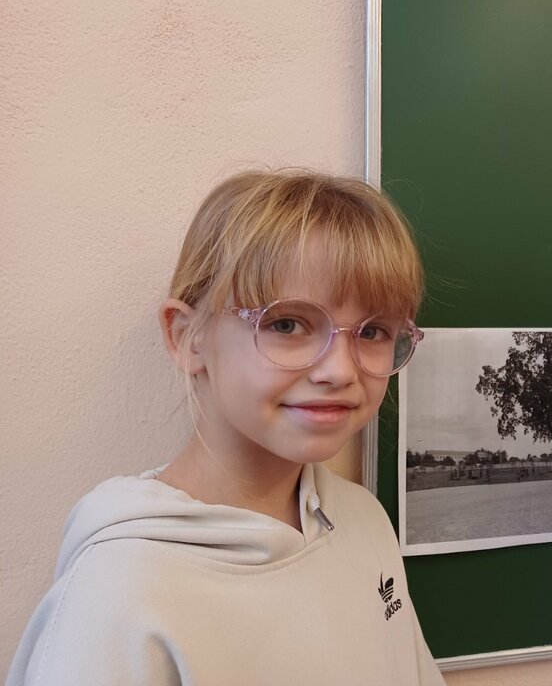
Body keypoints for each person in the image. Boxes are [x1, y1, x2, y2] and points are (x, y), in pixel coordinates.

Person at [7, 170, 446, 686]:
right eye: (287, 324)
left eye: (373, 332)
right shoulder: (118, 591)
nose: (341, 371)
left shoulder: (363, 519)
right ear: (188, 337)